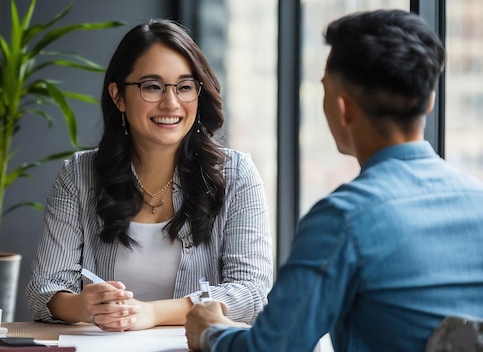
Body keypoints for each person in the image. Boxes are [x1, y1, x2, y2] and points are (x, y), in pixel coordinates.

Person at [185, 9, 483, 352]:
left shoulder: (343, 219)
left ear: (343, 108)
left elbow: (272, 348)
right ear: (429, 101)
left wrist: (210, 330)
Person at [26, 19, 273, 331]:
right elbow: (42, 290)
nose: (171, 103)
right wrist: (83, 305)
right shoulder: (79, 175)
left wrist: (151, 313)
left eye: (184, 87)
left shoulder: (236, 175)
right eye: (152, 86)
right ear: (118, 96)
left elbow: (252, 293)